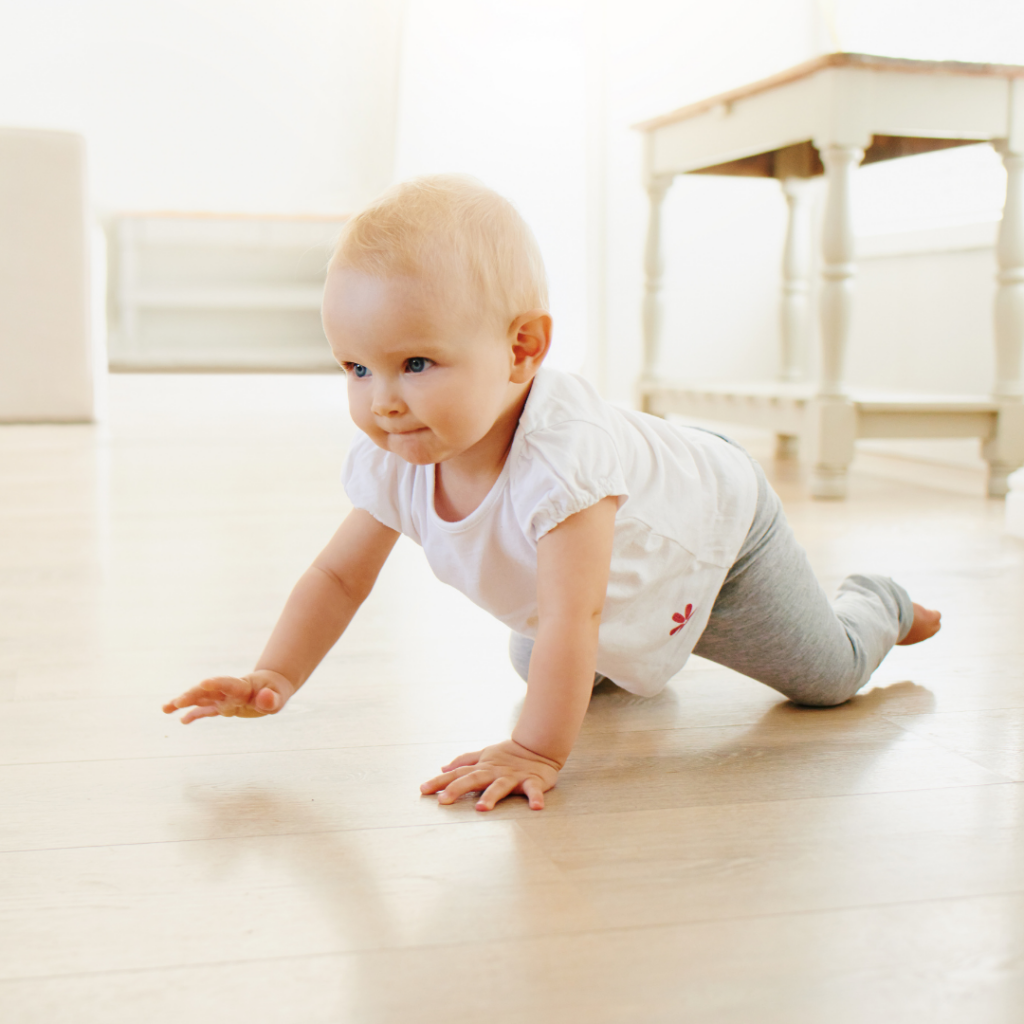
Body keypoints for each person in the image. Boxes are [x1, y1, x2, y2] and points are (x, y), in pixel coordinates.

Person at [162, 175, 941, 812]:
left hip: (716, 539)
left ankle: (880, 601)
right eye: (356, 369)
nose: (382, 401)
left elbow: (578, 613)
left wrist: (536, 749)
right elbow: (338, 578)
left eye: (417, 364)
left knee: (826, 680)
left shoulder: (563, 464)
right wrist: (276, 675)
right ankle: (621, 659)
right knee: (537, 658)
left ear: (522, 349)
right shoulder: (403, 452)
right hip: (607, 581)